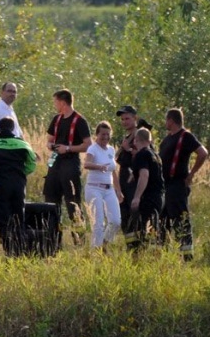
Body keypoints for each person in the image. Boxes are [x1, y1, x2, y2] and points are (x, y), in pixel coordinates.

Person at [0, 117, 37, 255]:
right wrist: (20, 174)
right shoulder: (23, 144)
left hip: (1, 183)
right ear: (13, 128)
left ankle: (7, 247)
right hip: (18, 183)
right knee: (18, 213)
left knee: (2, 215)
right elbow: (31, 165)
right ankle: (19, 248)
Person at [158, 108, 207, 260]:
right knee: (162, 221)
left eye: (166, 120)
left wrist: (191, 174)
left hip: (177, 184)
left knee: (181, 220)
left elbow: (203, 153)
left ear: (171, 120)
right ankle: (164, 254)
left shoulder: (185, 136)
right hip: (165, 186)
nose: (165, 123)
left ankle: (186, 256)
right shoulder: (167, 139)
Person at [43, 89, 92, 222]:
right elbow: (49, 139)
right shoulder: (56, 119)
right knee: (50, 198)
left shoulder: (80, 120)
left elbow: (88, 145)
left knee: (72, 201)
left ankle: (78, 232)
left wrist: (68, 148)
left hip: (70, 162)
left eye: (56, 102)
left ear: (63, 103)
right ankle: (52, 231)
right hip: (55, 161)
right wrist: (50, 145)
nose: (54, 105)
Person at [83, 121, 122, 250]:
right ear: (97, 135)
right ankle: (96, 250)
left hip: (109, 189)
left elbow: (113, 171)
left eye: (107, 134)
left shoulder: (111, 149)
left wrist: (118, 190)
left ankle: (105, 243)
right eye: (102, 134)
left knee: (116, 220)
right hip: (94, 188)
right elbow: (86, 164)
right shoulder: (92, 149)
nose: (105, 137)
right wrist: (99, 167)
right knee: (98, 222)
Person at [124, 127, 164, 251]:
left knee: (141, 228)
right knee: (153, 227)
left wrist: (136, 197)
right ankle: (151, 253)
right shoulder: (155, 156)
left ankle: (137, 253)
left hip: (148, 197)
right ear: (149, 140)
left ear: (136, 140)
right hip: (158, 197)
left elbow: (144, 175)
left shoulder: (141, 154)